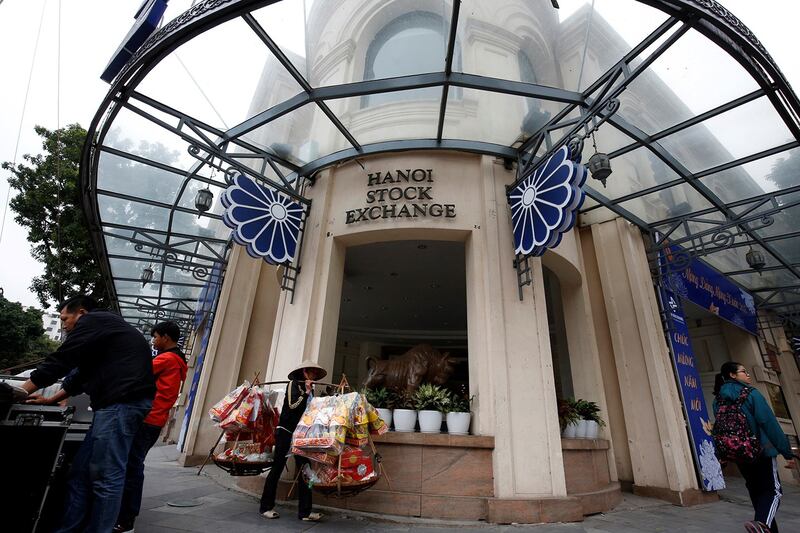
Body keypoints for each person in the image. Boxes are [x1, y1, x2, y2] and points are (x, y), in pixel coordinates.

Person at [20, 295, 155, 533]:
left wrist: (18, 392)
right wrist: (51, 399)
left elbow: (61, 360)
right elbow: (79, 377)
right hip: (112, 408)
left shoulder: (94, 321)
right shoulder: (106, 333)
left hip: (121, 405)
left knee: (106, 478)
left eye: (65, 318)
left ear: (81, 313)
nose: (64, 324)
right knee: (80, 475)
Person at [114, 321, 188, 533]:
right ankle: (124, 516)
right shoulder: (177, 360)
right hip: (155, 419)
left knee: (131, 467)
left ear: (166, 337)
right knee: (132, 466)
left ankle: (126, 519)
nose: (153, 341)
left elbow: (134, 373)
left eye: (155, 337)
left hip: (146, 418)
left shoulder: (165, 359)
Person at [713, 361, 796, 533]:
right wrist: (787, 452)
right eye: (743, 371)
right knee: (773, 492)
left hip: (738, 453)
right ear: (732, 375)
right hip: (761, 451)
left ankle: (764, 527)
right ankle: (762, 524)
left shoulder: (718, 400)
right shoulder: (751, 394)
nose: (748, 374)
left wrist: (721, 454)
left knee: (757, 492)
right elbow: (769, 423)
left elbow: (719, 428)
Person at [259, 360, 327, 521]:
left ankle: (305, 512)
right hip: (285, 432)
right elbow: (292, 406)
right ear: (305, 372)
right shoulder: (293, 385)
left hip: (301, 435)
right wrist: (305, 392)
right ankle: (265, 507)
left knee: (305, 471)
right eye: (313, 372)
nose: (315, 375)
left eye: (316, 373)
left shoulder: (311, 390)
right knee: (277, 468)